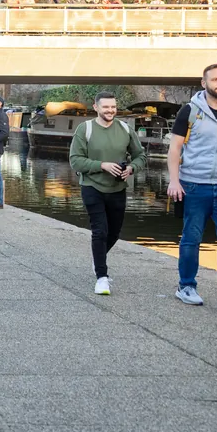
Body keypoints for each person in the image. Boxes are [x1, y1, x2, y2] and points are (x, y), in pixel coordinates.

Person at [167, 64, 217, 313]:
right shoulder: (189, 111)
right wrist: (174, 181)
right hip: (194, 185)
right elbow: (175, 149)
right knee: (192, 237)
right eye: (215, 79)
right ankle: (186, 286)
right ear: (203, 82)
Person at [68, 91, 147, 295]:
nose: (110, 110)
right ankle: (102, 277)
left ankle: (98, 260)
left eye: (113, 107)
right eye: (106, 107)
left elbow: (140, 156)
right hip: (92, 186)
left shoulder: (125, 129)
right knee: (100, 231)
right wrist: (101, 165)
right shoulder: (84, 129)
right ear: (96, 108)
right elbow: (75, 160)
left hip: (118, 188)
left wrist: (131, 168)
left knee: (114, 233)